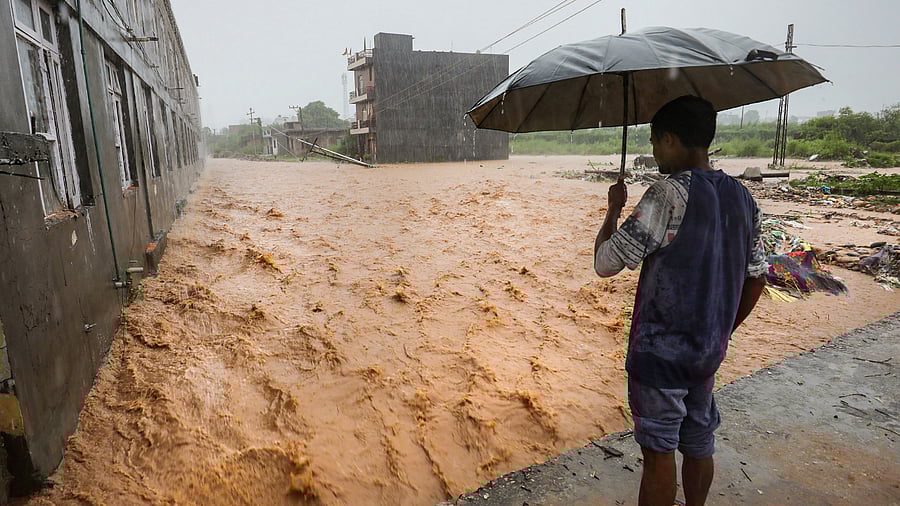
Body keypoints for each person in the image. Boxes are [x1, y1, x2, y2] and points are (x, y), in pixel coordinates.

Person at [593, 95, 767, 506]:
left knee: (658, 452)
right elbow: (757, 278)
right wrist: (720, 332)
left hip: (660, 356)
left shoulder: (667, 194)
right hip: (707, 353)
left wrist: (611, 212)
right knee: (699, 441)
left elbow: (606, 263)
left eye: (654, 143)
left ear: (670, 140)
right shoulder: (744, 197)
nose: (653, 153)